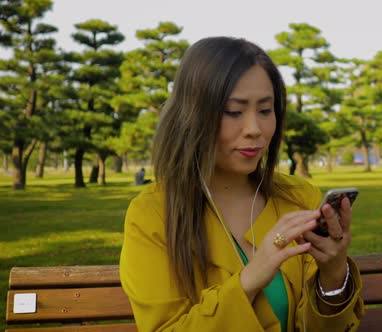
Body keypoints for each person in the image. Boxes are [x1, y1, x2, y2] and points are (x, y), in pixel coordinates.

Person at [119, 36, 364, 332]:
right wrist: (252, 277)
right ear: (192, 115)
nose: (254, 130)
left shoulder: (299, 198)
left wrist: (334, 276)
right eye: (234, 112)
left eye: (265, 110)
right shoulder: (153, 215)